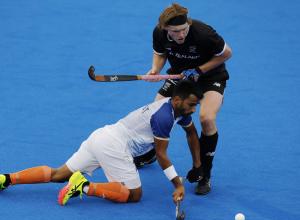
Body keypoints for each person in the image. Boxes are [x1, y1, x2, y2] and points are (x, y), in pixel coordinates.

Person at [0, 80, 203, 205]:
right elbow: (161, 154)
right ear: (176, 100)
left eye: (196, 105)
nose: (194, 109)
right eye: (191, 104)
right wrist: (177, 184)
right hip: (114, 145)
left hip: (101, 136)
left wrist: (197, 165)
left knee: (58, 174)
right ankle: (85, 186)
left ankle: (6, 179)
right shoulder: (164, 118)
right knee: (134, 195)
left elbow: (192, 134)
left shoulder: (178, 111)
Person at [147, 3, 232, 195]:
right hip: (180, 76)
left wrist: (199, 70)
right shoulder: (159, 33)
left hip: (211, 77)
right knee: (155, 109)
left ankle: (204, 174)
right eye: (176, 31)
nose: (181, 35)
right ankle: (153, 151)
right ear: (166, 29)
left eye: (184, 29)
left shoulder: (204, 33)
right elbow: (160, 53)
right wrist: (155, 70)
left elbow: (227, 54)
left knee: (207, 118)